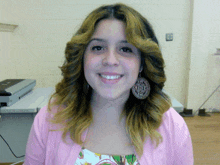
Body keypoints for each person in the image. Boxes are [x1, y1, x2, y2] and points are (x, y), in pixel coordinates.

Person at [23, 3, 194, 165]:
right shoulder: (49, 119)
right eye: (98, 48)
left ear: (142, 63)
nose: (110, 60)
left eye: (126, 49)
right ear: (82, 57)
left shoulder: (173, 127)